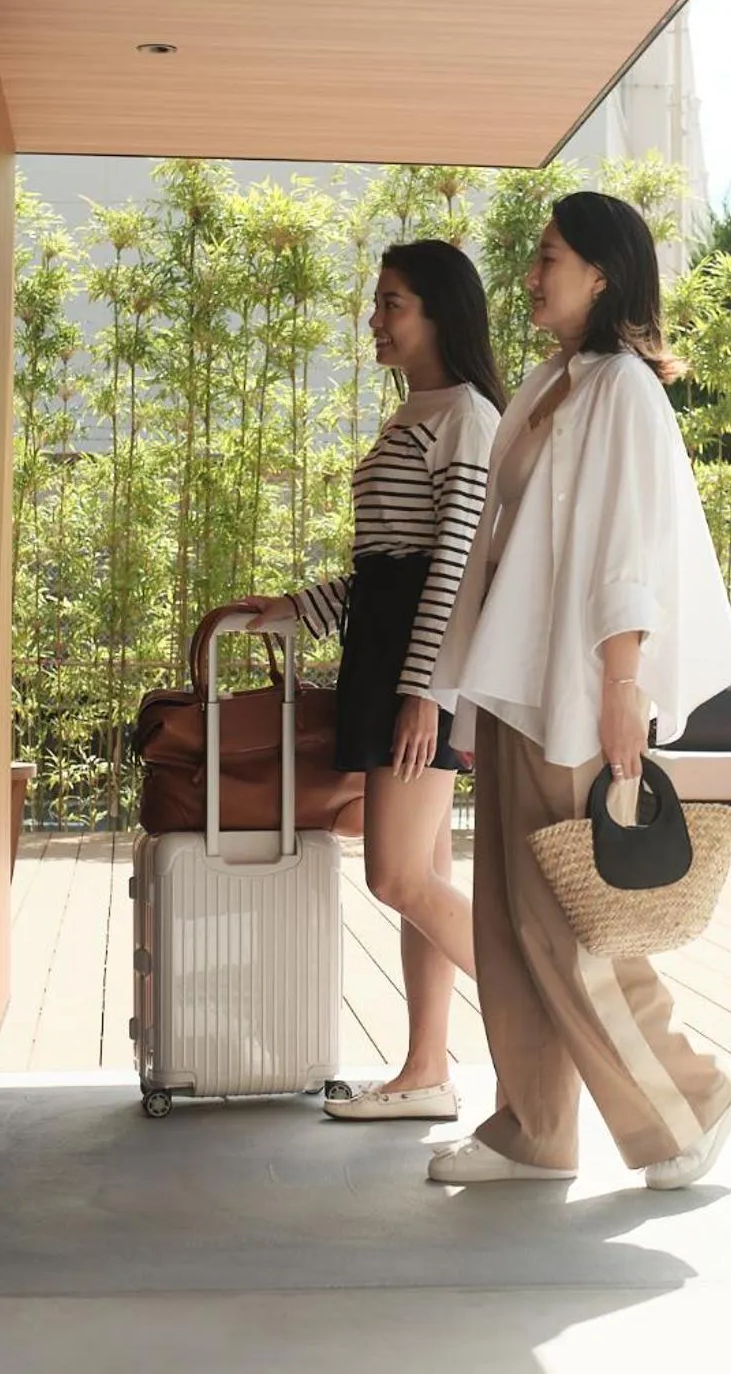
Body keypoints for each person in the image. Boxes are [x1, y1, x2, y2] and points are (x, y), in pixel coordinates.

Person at [423, 192, 731, 1190]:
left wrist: (621, 683)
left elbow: (628, 549)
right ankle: (534, 1129)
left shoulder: (621, 391)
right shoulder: (549, 382)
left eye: (548, 256)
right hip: (519, 680)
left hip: (573, 684)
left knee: (574, 923)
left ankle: (689, 1101)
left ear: (601, 273)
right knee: (511, 922)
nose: (530, 274)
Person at [237, 240, 503, 1122]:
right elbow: (383, 572)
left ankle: (543, 1005)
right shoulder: (413, 415)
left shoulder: (466, 416)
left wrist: (426, 692)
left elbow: (455, 568)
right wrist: (298, 608)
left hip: (419, 670)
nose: (375, 319)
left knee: (395, 878)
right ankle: (426, 1071)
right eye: (378, 301)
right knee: (422, 875)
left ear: (439, 312)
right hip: (388, 658)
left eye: (393, 303)